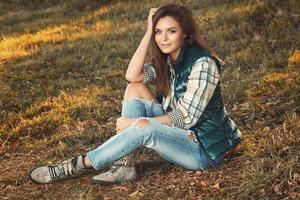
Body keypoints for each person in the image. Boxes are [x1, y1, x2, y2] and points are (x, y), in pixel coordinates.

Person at [28, 3, 242, 185]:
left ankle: (77, 165)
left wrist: (135, 123)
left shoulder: (203, 64)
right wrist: (148, 32)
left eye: (171, 31)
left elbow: (186, 118)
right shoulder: (170, 60)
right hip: (179, 134)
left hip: (202, 148)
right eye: (159, 32)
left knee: (143, 127)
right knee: (134, 89)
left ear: (185, 32)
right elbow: (133, 76)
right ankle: (125, 166)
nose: (163, 38)